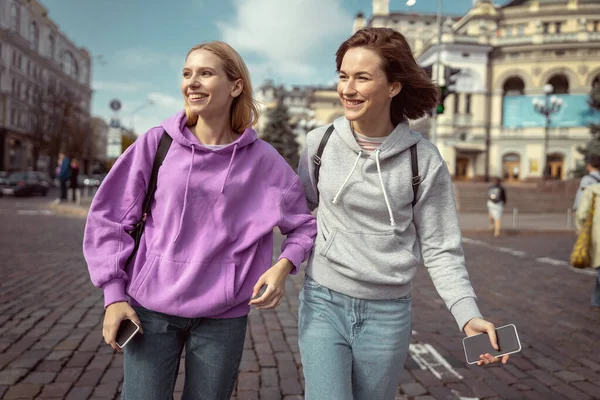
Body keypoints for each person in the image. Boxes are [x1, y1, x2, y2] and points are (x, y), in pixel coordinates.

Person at [83, 41, 316, 400]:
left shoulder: (264, 161)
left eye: (205, 73)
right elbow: (109, 218)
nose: (192, 82)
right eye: (187, 73)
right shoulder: (157, 144)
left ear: (235, 86)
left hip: (223, 317)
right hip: (150, 310)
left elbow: (303, 224)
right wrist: (113, 296)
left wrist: (283, 266)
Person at [297, 27, 508, 400]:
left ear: (393, 86)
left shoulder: (422, 158)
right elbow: (302, 213)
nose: (347, 89)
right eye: (344, 76)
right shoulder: (320, 143)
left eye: (362, 77)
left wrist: (467, 314)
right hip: (323, 301)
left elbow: (441, 247)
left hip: (388, 313)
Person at [575, 183, 600, 307]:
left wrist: (581, 232)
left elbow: (581, 215)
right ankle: (596, 300)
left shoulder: (592, 191)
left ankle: (596, 300)